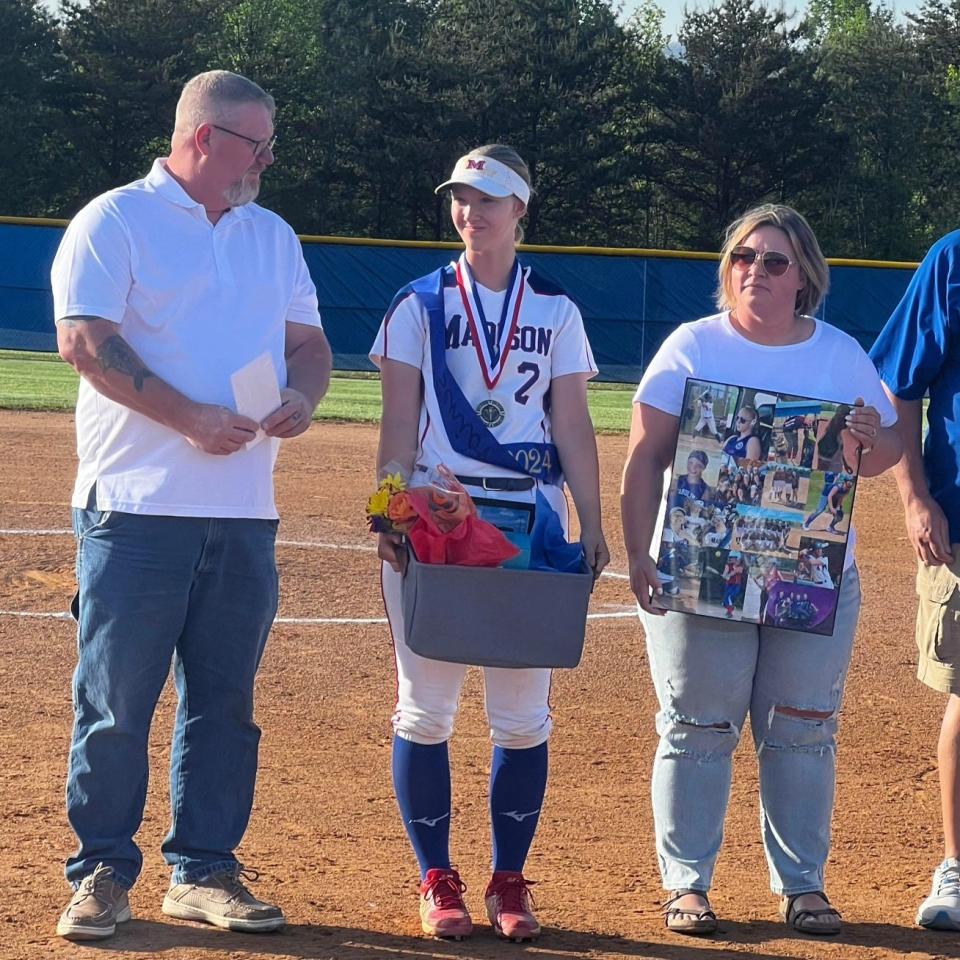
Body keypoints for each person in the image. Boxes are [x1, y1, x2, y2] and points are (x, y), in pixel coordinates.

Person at [50, 70, 332, 942]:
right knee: (116, 699)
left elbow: (310, 345)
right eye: (258, 144)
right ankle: (101, 868)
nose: (269, 160)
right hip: (134, 508)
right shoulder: (115, 220)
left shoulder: (270, 235)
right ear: (206, 139)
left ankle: (204, 869)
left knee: (223, 700)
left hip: (243, 511)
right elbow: (86, 340)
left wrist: (304, 398)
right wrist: (190, 418)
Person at [621, 203, 900, 936]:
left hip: (809, 574)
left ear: (804, 275)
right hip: (701, 569)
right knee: (697, 726)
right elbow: (643, 458)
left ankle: (802, 885)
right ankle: (687, 885)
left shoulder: (839, 354)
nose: (756, 271)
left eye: (774, 260)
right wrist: (637, 553)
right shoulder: (692, 347)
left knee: (803, 728)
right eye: (744, 257)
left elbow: (891, 451)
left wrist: (867, 440)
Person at [370, 144, 609, 942]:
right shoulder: (419, 304)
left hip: (529, 529)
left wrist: (594, 524)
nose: (472, 211)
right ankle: (437, 878)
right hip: (439, 521)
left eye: (489, 198)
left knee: (521, 716)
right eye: (461, 198)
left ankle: (511, 882)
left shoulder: (555, 311)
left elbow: (571, 424)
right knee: (426, 710)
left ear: (520, 211)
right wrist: (385, 512)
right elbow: (397, 424)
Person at [870, 229, 960, 930]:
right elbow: (898, 386)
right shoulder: (953, 257)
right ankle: (957, 869)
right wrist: (915, 497)